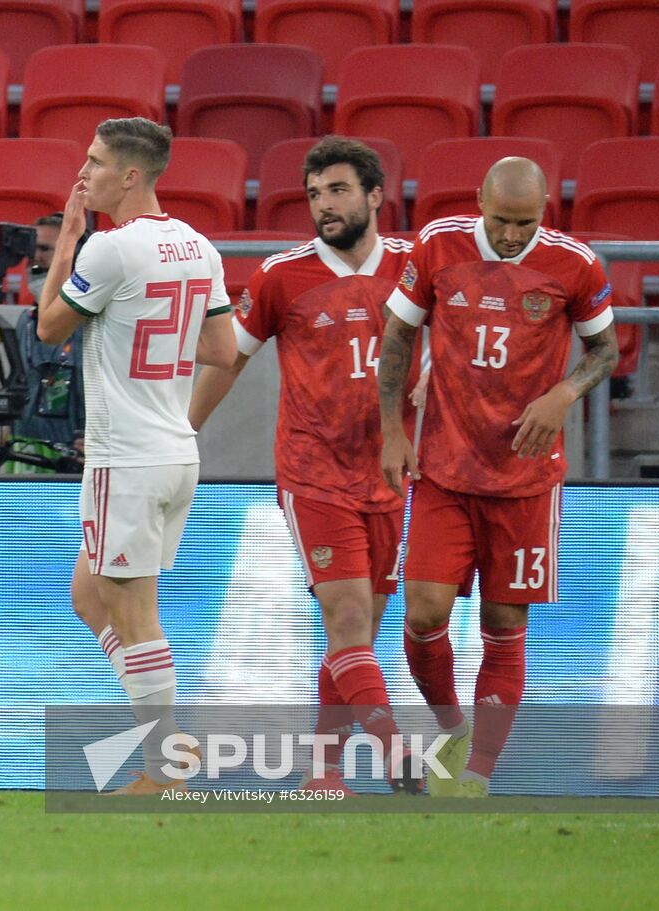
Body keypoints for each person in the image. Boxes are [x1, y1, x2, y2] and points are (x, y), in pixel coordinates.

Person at [187, 136, 423, 795]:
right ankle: (395, 750)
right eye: (315, 193)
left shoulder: (415, 267)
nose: (324, 204)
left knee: (360, 634)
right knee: (346, 619)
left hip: (388, 474)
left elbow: (454, 340)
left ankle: (323, 774)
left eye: (339, 190)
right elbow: (229, 357)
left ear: (376, 195)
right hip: (312, 472)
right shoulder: (282, 275)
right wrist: (185, 431)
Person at [378, 157, 618, 796]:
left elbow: (605, 351)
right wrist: (394, 428)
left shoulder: (575, 263)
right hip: (445, 470)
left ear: (546, 213)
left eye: (526, 222)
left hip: (525, 481)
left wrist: (564, 394)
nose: (513, 235)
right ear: (479, 199)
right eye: (502, 220)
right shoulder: (438, 246)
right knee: (422, 616)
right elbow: (398, 334)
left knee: (505, 624)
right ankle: (451, 725)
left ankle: (477, 773)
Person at [37, 117, 238, 795]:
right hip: (176, 449)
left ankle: (166, 770)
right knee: (87, 594)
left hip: (125, 456)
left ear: (130, 175)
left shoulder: (109, 250)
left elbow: (48, 327)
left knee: (136, 615)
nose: (82, 174)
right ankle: (164, 734)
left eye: (94, 163)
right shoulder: (197, 246)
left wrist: (68, 237)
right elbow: (219, 348)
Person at [2, 213, 86, 473]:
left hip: (74, 461)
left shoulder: (92, 324)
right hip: (23, 458)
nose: (35, 257)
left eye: (46, 249)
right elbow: (17, 390)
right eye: (32, 249)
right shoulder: (24, 323)